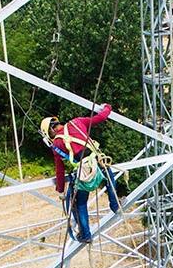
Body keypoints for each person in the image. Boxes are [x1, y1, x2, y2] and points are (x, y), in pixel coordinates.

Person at [40, 104, 119, 243]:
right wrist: (107, 107)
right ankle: (115, 205)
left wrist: (60, 190)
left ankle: (86, 235)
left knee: (80, 204)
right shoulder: (76, 122)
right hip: (97, 162)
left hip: (83, 172)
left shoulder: (57, 144)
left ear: (51, 132)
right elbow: (100, 117)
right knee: (109, 177)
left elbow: (60, 170)